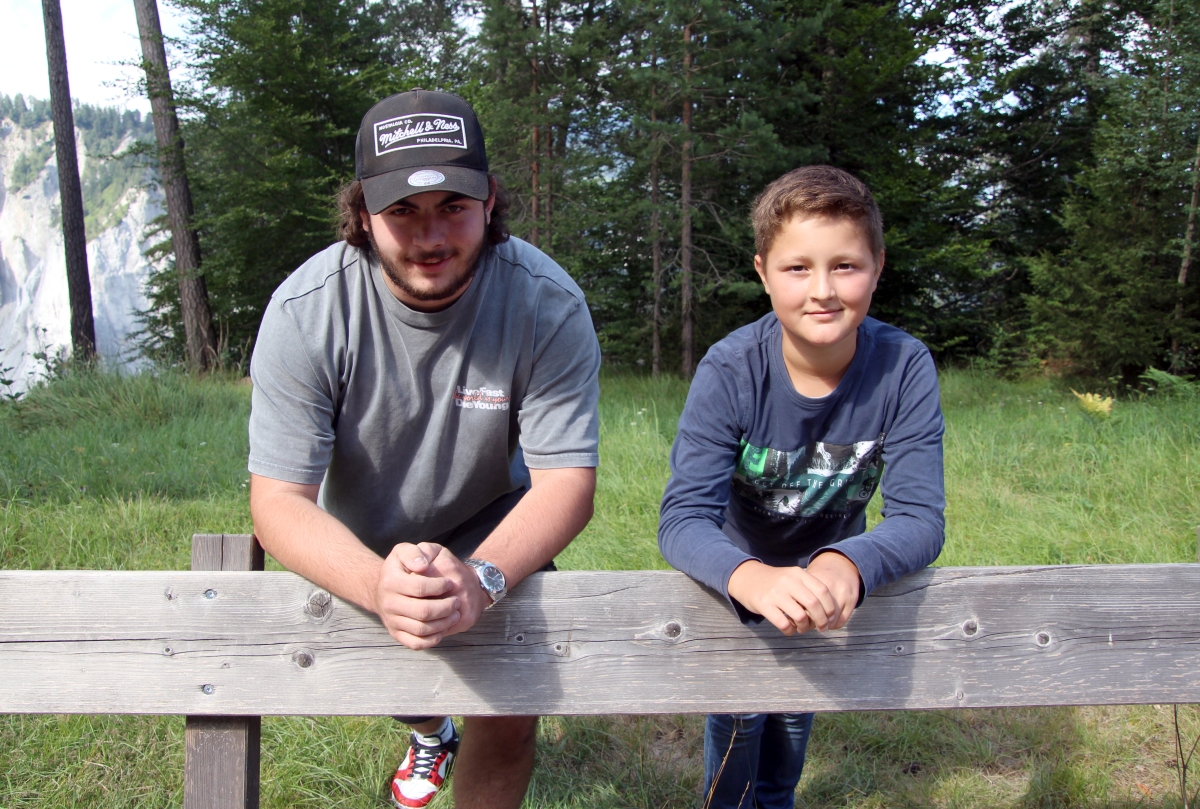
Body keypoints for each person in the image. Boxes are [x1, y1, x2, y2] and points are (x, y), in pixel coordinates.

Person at [247, 89, 601, 809]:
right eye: (402, 211)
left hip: (491, 521)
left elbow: (567, 481)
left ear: (492, 201)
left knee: (506, 718)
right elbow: (278, 501)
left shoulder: (547, 303)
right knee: (402, 675)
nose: (431, 236)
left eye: (453, 206)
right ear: (361, 214)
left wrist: (484, 578)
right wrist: (379, 584)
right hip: (358, 532)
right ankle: (429, 729)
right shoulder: (305, 311)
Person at [657, 165, 945, 809]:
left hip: (827, 585)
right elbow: (681, 520)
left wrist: (850, 562)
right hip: (737, 576)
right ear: (762, 272)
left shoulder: (904, 366)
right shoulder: (731, 369)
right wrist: (752, 579)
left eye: (845, 266)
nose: (823, 290)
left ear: (877, 265)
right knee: (738, 723)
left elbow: (921, 516)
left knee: (792, 720)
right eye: (797, 269)